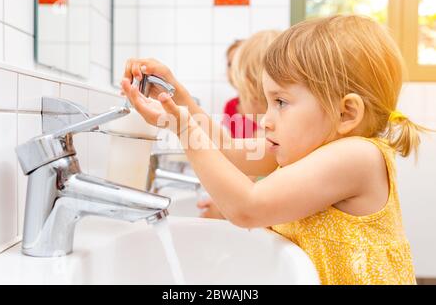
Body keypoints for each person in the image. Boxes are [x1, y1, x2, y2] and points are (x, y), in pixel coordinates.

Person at [121, 15, 433, 284]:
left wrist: (185, 129)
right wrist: (181, 102)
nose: (266, 120)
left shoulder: (358, 157)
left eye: (281, 102)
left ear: (346, 114)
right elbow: (229, 149)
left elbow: (248, 207)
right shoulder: (299, 149)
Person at [200, 30, 281, 219]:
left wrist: (218, 207)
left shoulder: (269, 138)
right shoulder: (271, 134)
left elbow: (233, 154)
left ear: (252, 90)